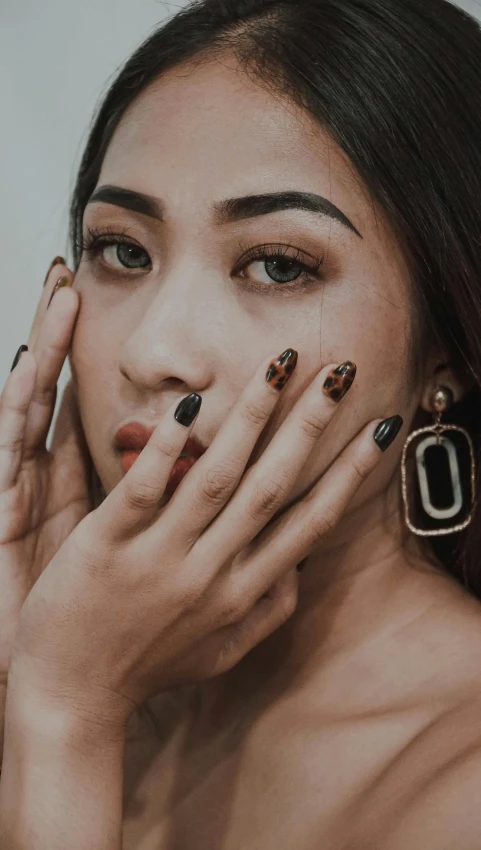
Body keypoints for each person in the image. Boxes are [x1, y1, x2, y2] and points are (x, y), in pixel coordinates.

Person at [1, 0, 481, 846]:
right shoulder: (59, 662)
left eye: (276, 265)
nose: (154, 351)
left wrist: (64, 716)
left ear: (446, 344)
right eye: (123, 251)